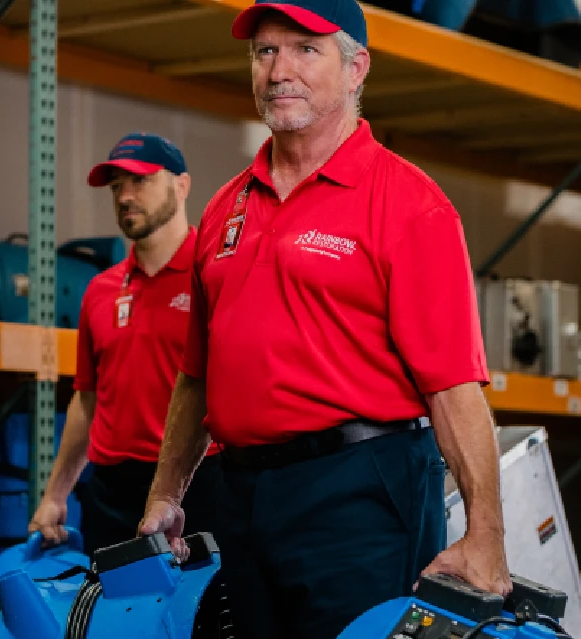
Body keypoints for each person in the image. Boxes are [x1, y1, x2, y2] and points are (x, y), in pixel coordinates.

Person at [139, 1, 512, 637]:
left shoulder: (409, 204)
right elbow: (196, 375)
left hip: (361, 492)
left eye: (305, 50)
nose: (279, 69)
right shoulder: (228, 205)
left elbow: (453, 386)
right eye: (264, 52)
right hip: (244, 494)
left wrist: (487, 535)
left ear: (356, 67)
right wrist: (167, 492)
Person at [29, 132, 221, 559]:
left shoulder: (212, 275)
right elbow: (87, 400)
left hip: (197, 482)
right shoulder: (101, 291)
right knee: (112, 620)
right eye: (117, 187)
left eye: (140, 182)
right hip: (112, 492)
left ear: (182, 185)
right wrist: (56, 494)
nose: (125, 197)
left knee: (196, 621)